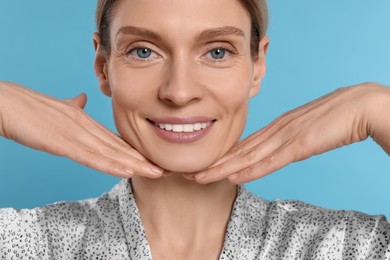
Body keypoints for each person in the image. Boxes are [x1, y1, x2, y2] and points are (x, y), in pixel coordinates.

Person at [0, 0, 389, 259]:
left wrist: (375, 107)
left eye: (217, 51)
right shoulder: (31, 243)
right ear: (103, 67)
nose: (180, 92)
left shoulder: (341, 247)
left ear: (257, 65)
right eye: (143, 51)